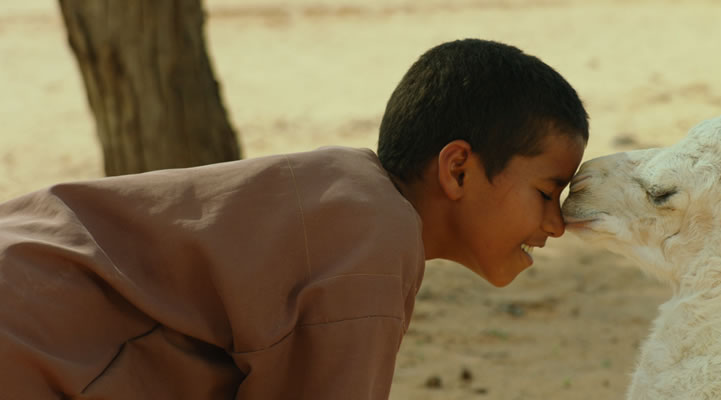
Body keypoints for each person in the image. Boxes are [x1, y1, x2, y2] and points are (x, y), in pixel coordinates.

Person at [0, 38, 588, 399]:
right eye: (547, 191)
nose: (556, 225)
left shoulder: (346, 193)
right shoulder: (374, 247)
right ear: (457, 169)